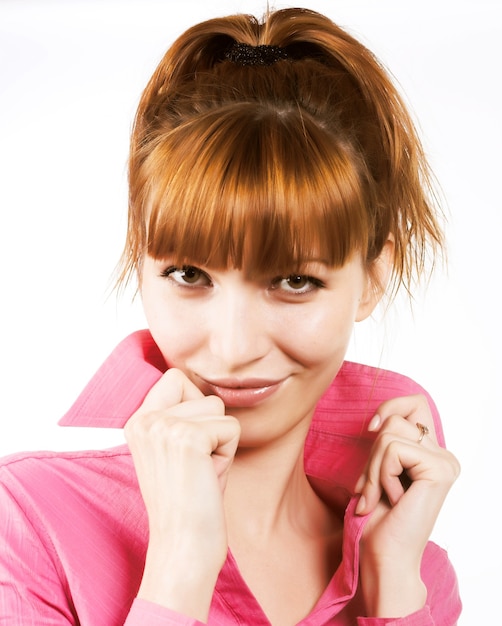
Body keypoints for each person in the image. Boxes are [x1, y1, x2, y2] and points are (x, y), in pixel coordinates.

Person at [0, 6, 462, 625]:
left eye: (295, 281)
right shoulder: (27, 521)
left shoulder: (414, 571)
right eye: (189, 275)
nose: (233, 346)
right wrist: (179, 564)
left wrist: (391, 588)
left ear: (374, 277)